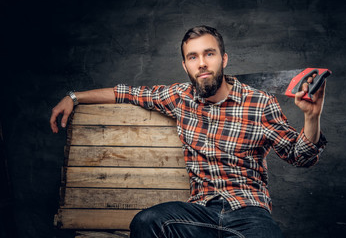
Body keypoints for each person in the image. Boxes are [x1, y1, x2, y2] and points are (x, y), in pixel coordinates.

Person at [50, 25, 327, 238]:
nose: (202, 63)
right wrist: (74, 97)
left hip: (249, 213)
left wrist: (311, 117)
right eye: (193, 57)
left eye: (209, 53)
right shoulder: (178, 97)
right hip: (198, 215)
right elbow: (126, 93)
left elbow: (299, 156)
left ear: (224, 59)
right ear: (185, 65)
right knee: (146, 222)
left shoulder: (259, 102)